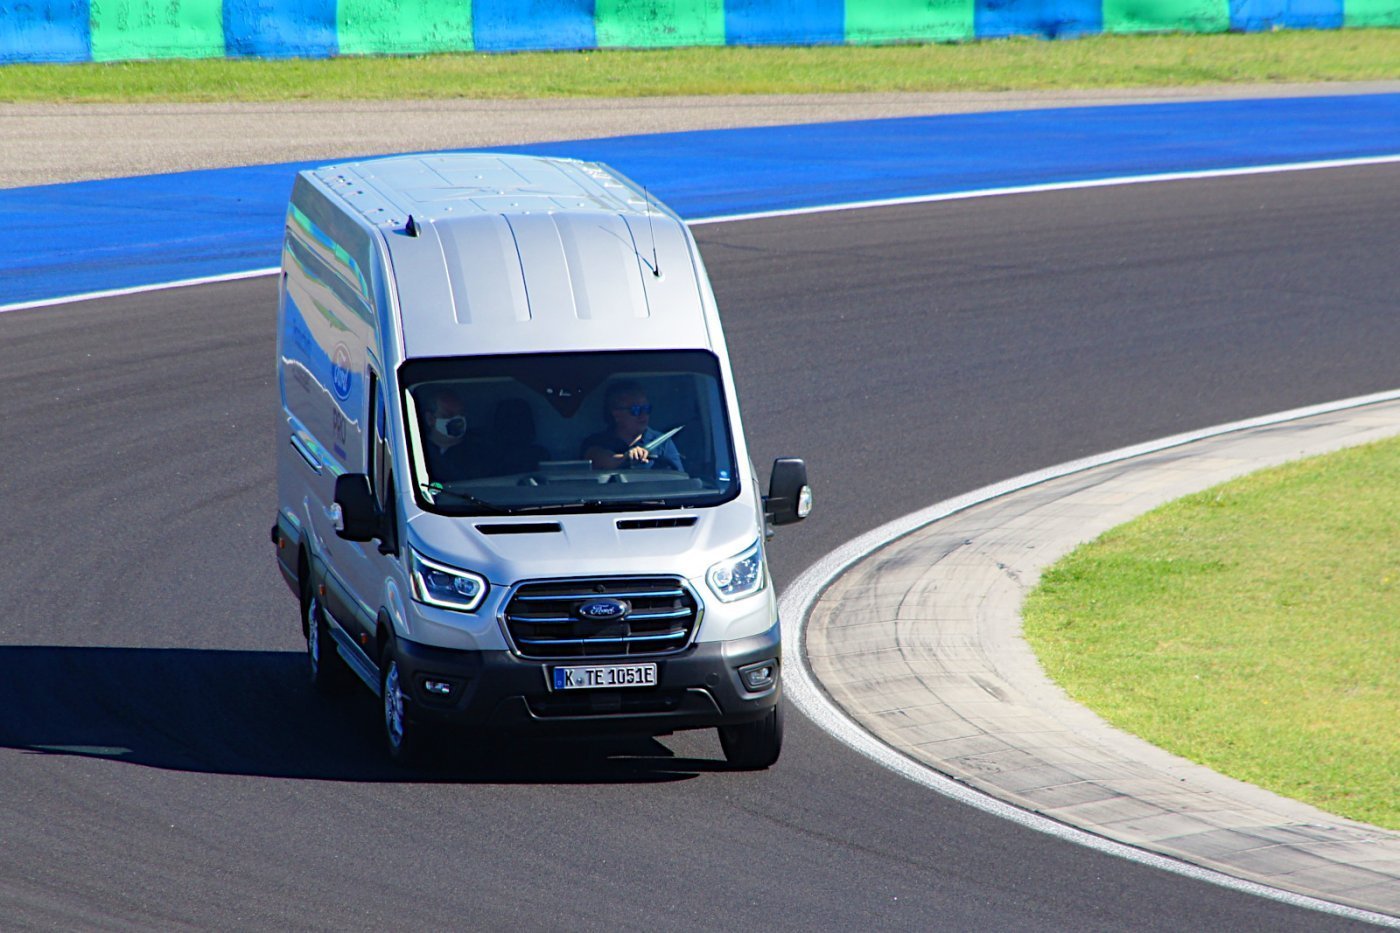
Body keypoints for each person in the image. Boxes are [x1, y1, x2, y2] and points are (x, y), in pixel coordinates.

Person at [581, 380, 683, 472]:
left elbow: (680, 479)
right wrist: (626, 458)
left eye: (646, 409)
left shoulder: (663, 443)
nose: (643, 415)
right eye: (636, 410)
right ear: (616, 414)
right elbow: (597, 459)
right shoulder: (596, 442)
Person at [421, 388, 486, 482]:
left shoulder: (480, 453)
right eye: (448, 415)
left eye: (461, 414)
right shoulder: (415, 451)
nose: (457, 420)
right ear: (430, 419)